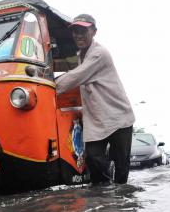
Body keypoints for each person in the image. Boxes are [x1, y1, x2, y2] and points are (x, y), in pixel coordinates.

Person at [55, 14, 136, 185]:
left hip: (118, 117)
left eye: (83, 30)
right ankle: (105, 196)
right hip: (98, 120)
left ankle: (121, 203)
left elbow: (76, 76)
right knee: (92, 157)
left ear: (94, 31)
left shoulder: (99, 53)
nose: (78, 35)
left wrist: (49, 86)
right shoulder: (80, 55)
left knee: (121, 168)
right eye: (75, 31)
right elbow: (71, 72)